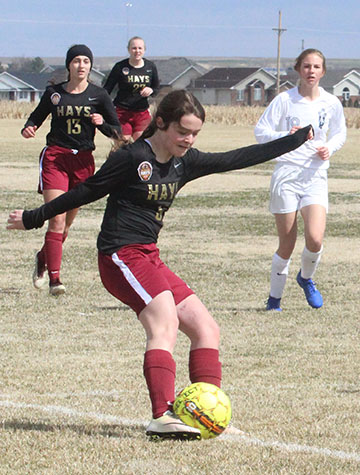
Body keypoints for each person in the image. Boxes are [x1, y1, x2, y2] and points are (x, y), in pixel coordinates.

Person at [8, 90, 312, 440]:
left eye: (195, 133)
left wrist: (294, 140)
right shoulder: (133, 157)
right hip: (118, 256)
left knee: (206, 328)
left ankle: (205, 415)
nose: (189, 139)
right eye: (183, 131)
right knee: (164, 321)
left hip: (148, 255)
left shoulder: (186, 162)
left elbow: (237, 158)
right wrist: (33, 218)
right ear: (162, 123)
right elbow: (85, 191)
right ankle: (161, 415)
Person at [21, 44, 121, 296]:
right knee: (55, 218)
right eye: (76, 60)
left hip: (83, 162)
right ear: (69, 65)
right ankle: (55, 279)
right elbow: (35, 117)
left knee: (65, 225)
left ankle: (43, 258)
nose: (81, 65)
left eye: (86, 61)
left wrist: (102, 124)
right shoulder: (54, 93)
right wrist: (29, 128)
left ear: (91, 65)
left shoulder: (99, 95)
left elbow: (117, 131)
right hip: (56, 158)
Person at [254, 48, 346, 312]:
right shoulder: (285, 100)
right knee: (287, 243)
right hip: (287, 175)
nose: (311, 71)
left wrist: (330, 147)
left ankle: (305, 278)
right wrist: (286, 135)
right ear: (298, 69)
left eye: (316, 67)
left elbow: (340, 132)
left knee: (315, 239)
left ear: (323, 71)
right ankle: (274, 300)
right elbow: (260, 132)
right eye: (306, 66)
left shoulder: (331, 103)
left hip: (315, 175)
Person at [103, 36, 160, 142]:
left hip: (141, 112)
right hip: (122, 112)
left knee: (141, 142)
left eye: (140, 48)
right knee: (123, 142)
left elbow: (156, 88)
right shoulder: (120, 67)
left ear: (144, 50)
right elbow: (107, 89)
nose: (137, 51)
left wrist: (151, 90)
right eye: (134, 48)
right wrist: (104, 108)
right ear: (128, 49)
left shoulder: (150, 67)